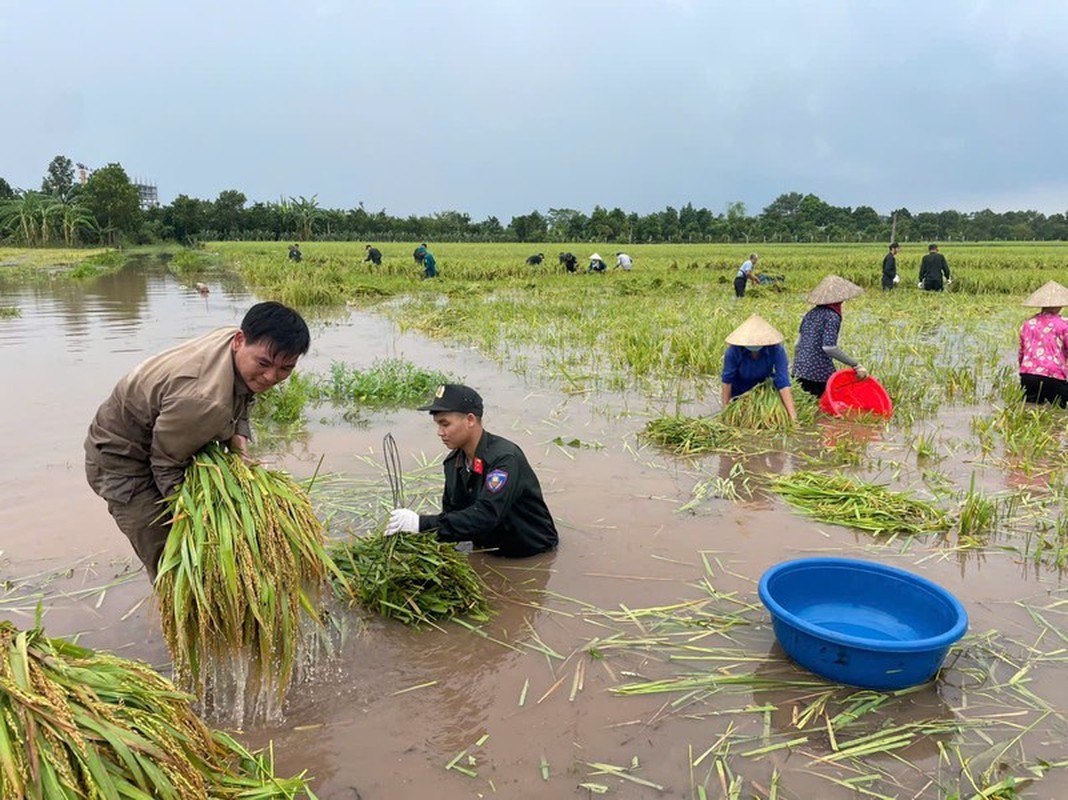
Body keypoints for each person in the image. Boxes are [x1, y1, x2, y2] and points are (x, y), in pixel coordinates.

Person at [84, 302, 311, 581]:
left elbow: (241, 396)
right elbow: (166, 465)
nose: (271, 377)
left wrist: (239, 450)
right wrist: (198, 518)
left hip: (164, 432)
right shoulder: (205, 400)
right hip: (121, 461)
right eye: (264, 364)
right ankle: (182, 618)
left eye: (285, 368)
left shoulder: (236, 344)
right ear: (240, 340)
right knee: (173, 559)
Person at [385, 384, 559, 557]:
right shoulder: (454, 463)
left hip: (530, 553)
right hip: (487, 549)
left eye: (445, 424)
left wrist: (420, 524)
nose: (440, 432)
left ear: (470, 420)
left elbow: (486, 515)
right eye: (438, 425)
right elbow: (453, 516)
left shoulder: (504, 459)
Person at [792, 275, 868, 398]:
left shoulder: (810, 314)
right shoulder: (832, 317)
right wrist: (856, 365)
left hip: (799, 371)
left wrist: (796, 367)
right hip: (818, 374)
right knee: (827, 407)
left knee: (806, 408)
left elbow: (797, 345)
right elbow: (829, 348)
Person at [721, 315, 797, 421]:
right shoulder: (734, 351)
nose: (754, 345)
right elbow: (727, 380)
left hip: (763, 389)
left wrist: (793, 416)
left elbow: (783, 382)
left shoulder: (776, 350)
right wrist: (725, 410)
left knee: (770, 419)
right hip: (739, 391)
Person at [1018, 281, 1068, 406]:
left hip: (1028, 375)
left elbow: (1022, 352)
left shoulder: (1028, 324)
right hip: (1052, 375)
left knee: (1030, 409)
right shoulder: (1063, 324)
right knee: (1062, 409)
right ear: (1060, 305)